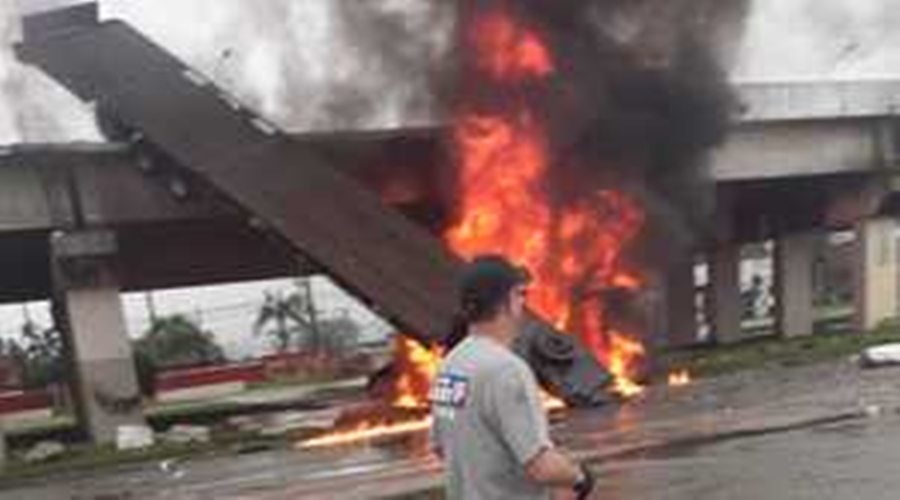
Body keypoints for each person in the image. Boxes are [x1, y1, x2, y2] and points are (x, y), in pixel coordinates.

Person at [430, 254, 597, 500]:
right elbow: (541, 466)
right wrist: (580, 478)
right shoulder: (506, 370)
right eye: (520, 294)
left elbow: (441, 447)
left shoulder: (449, 366)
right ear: (507, 302)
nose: (523, 303)